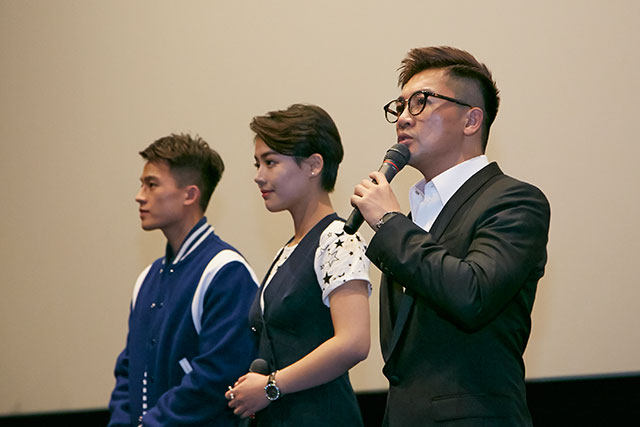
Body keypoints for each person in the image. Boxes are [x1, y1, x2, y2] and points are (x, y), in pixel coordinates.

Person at [350, 46, 551, 426]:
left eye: (420, 102)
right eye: (400, 106)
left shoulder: (515, 201)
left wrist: (390, 222)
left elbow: (472, 293)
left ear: (471, 120)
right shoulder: (414, 216)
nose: (403, 118)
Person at [225, 104, 371, 426]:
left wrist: (271, 386)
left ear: (314, 165)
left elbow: (354, 342)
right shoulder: (290, 249)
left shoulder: (338, 238)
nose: (258, 176)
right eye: (257, 164)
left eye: (270, 162)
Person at [108, 133, 259, 426]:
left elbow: (217, 377)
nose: (140, 195)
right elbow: (128, 370)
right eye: (142, 184)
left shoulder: (226, 271)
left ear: (190, 195)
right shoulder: (147, 279)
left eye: (152, 184)